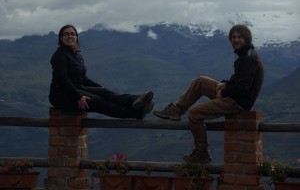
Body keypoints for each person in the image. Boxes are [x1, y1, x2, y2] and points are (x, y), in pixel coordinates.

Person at [153, 24, 264, 163]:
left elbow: (244, 87)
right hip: (234, 96)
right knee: (201, 81)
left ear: (246, 38)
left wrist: (224, 92)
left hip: (238, 102)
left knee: (195, 114)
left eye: (239, 37)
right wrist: (227, 83)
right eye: (233, 37)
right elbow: (240, 79)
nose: (236, 40)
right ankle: (177, 110)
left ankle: (201, 152)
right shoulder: (246, 54)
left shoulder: (249, 58)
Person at [49, 24, 154, 120]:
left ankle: (138, 100)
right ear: (61, 38)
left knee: (104, 92)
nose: (70, 36)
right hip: (61, 95)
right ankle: (136, 113)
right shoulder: (59, 55)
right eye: (66, 34)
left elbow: (83, 79)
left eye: (73, 34)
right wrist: (78, 97)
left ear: (76, 37)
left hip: (77, 88)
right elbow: (62, 79)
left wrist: (99, 88)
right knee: (99, 102)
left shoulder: (76, 55)